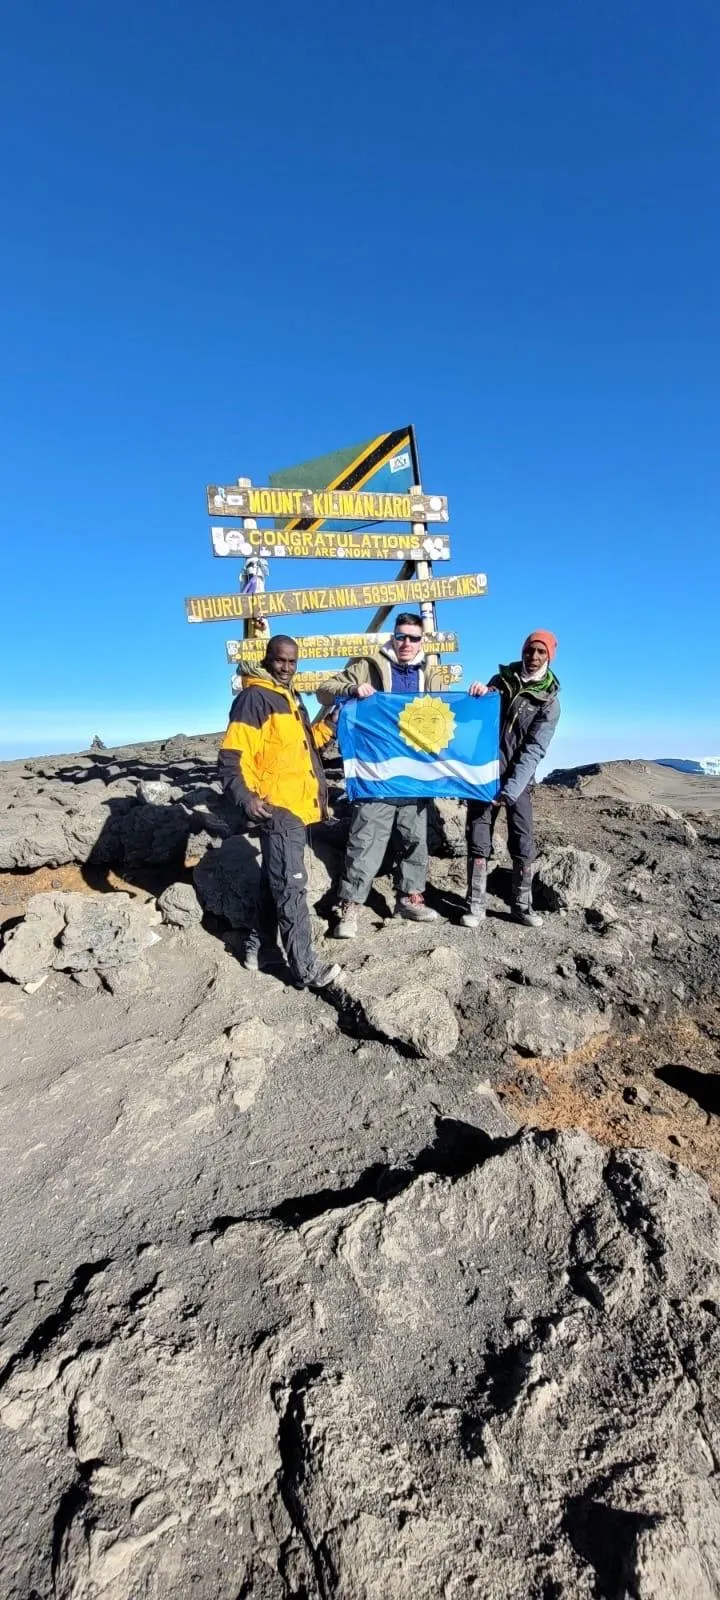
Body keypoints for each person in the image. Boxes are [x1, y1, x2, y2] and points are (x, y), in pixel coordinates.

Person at [218, 635, 341, 988]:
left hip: (298, 806)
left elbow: (302, 749)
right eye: (280, 660)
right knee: (292, 887)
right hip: (277, 807)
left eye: (292, 662)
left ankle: (257, 950)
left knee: (275, 881)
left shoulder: (291, 699)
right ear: (267, 658)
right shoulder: (253, 698)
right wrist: (246, 798)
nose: (286, 667)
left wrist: (328, 726)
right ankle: (306, 969)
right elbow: (231, 757)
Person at [316, 614, 445, 938]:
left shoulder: (430, 672)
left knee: (414, 838)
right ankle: (351, 906)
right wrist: (351, 687)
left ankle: (409, 898)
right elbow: (323, 691)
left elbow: (446, 710)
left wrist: (477, 697)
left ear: (422, 641)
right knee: (365, 839)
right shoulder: (367, 665)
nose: (406, 643)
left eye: (413, 638)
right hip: (375, 771)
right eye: (401, 636)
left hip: (414, 773)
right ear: (393, 636)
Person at [463, 630, 560, 929]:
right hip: (484, 773)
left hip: (519, 779)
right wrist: (478, 693)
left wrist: (511, 789)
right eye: (530, 651)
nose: (533, 657)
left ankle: (521, 906)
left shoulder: (549, 701)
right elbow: (477, 717)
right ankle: (475, 905)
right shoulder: (500, 682)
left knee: (522, 838)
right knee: (479, 835)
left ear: (549, 656)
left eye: (540, 653)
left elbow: (534, 749)